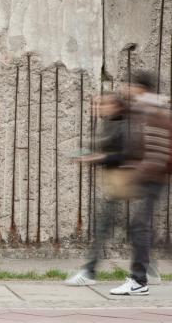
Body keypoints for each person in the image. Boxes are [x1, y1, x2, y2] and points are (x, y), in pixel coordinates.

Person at [107, 72, 169, 295]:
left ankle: (139, 280)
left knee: (140, 226)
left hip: (152, 179)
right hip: (148, 177)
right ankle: (142, 275)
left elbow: (158, 154)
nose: (126, 87)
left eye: (130, 85)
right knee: (141, 227)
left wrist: (136, 175)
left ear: (141, 88)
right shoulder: (143, 110)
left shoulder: (154, 114)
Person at [64, 93, 132, 287]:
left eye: (105, 104)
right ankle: (148, 269)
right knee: (133, 230)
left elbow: (123, 156)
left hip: (124, 184)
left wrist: (96, 158)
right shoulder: (111, 124)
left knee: (103, 227)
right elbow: (104, 149)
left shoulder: (124, 126)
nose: (101, 106)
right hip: (115, 184)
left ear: (117, 107)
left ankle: (89, 271)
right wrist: (90, 155)